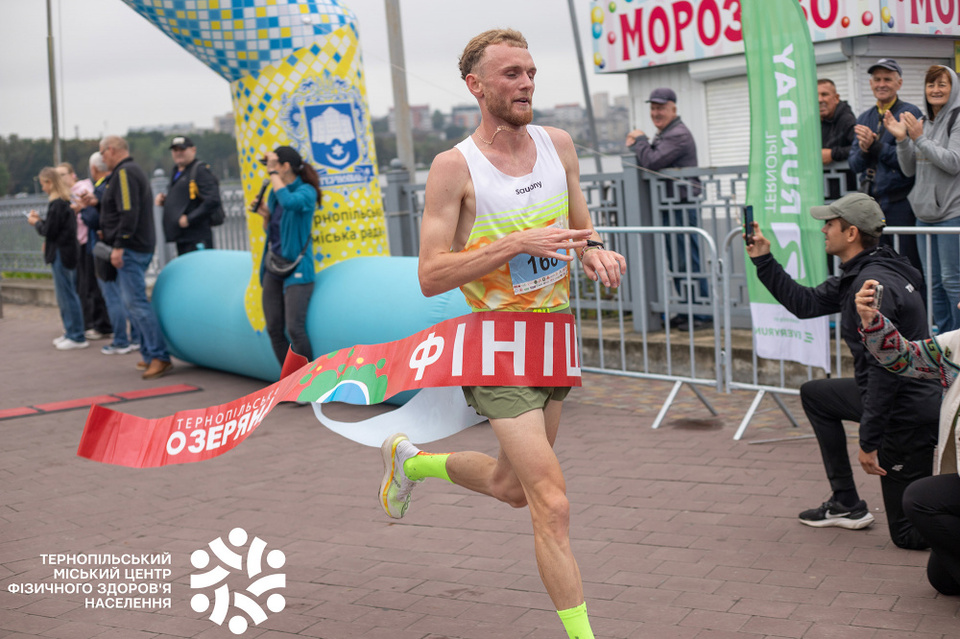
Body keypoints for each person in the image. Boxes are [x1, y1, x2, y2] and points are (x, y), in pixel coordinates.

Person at [378, 29, 626, 639]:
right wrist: (514, 243)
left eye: (530, 72)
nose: (526, 84)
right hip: (497, 346)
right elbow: (431, 275)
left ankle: (412, 463)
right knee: (552, 502)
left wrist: (594, 250)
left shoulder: (558, 144)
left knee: (510, 488)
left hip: (555, 339)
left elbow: (580, 227)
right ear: (477, 85)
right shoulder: (454, 167)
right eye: (511, 74)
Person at [744, 192, 939, 549]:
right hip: (897, 396)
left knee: (909, 536)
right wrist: (764, 260)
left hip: (906, 413)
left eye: (829, 224)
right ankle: (846, 502)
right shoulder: (867, 272)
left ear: (851, 233)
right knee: (816, 396)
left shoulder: (871, 288)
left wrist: (869, 441)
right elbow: (805, 303)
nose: (823, 230)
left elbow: (884, 373)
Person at [856, 280, 960, 595]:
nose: (958, 305)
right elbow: (906, 358)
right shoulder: (956, 343)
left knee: (920, 498)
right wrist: (873, 321)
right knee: (941, 580)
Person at [624, 87, 707, 329]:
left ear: (673, 108)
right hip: (673, 206)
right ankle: (687, 309)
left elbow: (651, 161)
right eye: (653, 108)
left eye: (661, 107)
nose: (656, 113)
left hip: (682, 206)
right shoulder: (667, 133)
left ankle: (701, 314)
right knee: (678, 261)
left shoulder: (678, 134)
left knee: (688, 260)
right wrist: (642, 143)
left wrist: (640, 140)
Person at [887, 65, 960, 334]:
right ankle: (942, 340)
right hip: (923, 215)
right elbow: (909, 169)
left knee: (952, 281)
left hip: (952, 213)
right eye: (931, 84)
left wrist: (919, 139)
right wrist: (902, 140)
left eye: (942, 84)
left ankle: (957, 340)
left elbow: (953, 162)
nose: (935, 90)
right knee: (933, 282)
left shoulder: (957, 119)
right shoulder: (922, 123)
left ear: (954, 88)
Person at [98, 135, 173, 379]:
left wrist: (120, 244)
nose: (102, 158)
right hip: (136, 246)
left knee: (137, 304)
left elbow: (128, 211)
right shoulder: (128, 171)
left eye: (102, 153)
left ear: (111, 150)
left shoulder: (124, 173)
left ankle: (159, 356)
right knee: (134, 303)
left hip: (131, 248)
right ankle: (149, 354)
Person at [848, 58, 924, 272]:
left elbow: (910, 162)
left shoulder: (910, 114)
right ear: (871, 84)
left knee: (907, 264)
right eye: (877, 79)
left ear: (899, 83)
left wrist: (876, 146)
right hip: (871, 204)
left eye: (887, 79)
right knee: (876, 265)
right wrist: (865, 149)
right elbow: (854, 165)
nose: (881, 84)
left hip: (901, 203)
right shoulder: (864, 117)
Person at [250, 145, 321, 367]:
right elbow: (274, 232)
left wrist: (272, 174)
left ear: (285, 166)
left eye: (273, 165)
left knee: (295, 329)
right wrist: (266, 216)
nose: (269, 170)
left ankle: (308, 381)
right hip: (274, 265)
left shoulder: (307, 192)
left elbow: (290, 203)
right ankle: (291, 379)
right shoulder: (275, 193)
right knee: (273, 327)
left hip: (298, 267)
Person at [80, 152, 136, 356]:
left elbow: (98, 220)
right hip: (117, 245)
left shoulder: (103, 188)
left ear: (94, 168)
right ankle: (135, 338)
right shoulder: (114, 184)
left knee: (114, 297)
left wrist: (85, 208)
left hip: (107, 248)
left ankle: (121, 340)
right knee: (126, 295)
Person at [27, 167, 87, 350]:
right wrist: (41, 221)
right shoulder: (63, 202)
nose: (43, 188)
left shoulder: (57, 204)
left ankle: (76, 336)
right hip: (66, 252)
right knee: (67, 294)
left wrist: (36, 223)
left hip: (62, 253)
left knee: (67, 295)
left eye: (43, 184)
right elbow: (55, 227)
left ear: (50, 182)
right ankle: (71, 332)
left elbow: (49, 231)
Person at [58, 162, 113, 342]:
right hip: (80, 244)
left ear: (72, 174)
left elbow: (93, 218)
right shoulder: (69, 194)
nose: (60, 179)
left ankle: (102, 325)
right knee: (83, 286)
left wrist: (81, 209)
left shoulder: (83, 189)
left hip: (89, 243)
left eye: (63, 174)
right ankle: (89, 323)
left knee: (92, 286)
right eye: (57, 176)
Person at [155, 135, 221, 256]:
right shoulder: (177, 171)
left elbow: (213, 200)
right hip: (182, 238)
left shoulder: (200, 170)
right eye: (175, 150)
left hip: (197, 236)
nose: (178, 153)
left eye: (182, 149)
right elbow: (185, 199)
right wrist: (166, 201)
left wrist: (190, 218)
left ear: (193, 150)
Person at [818, 79, 857, 201]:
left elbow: (860, 148)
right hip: (821, 193)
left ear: (836, 98)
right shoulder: (811, 122)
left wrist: (833, 154)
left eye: (824, 94)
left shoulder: (847, 120)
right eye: (816, 95)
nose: (819, 100)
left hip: (846, 194)